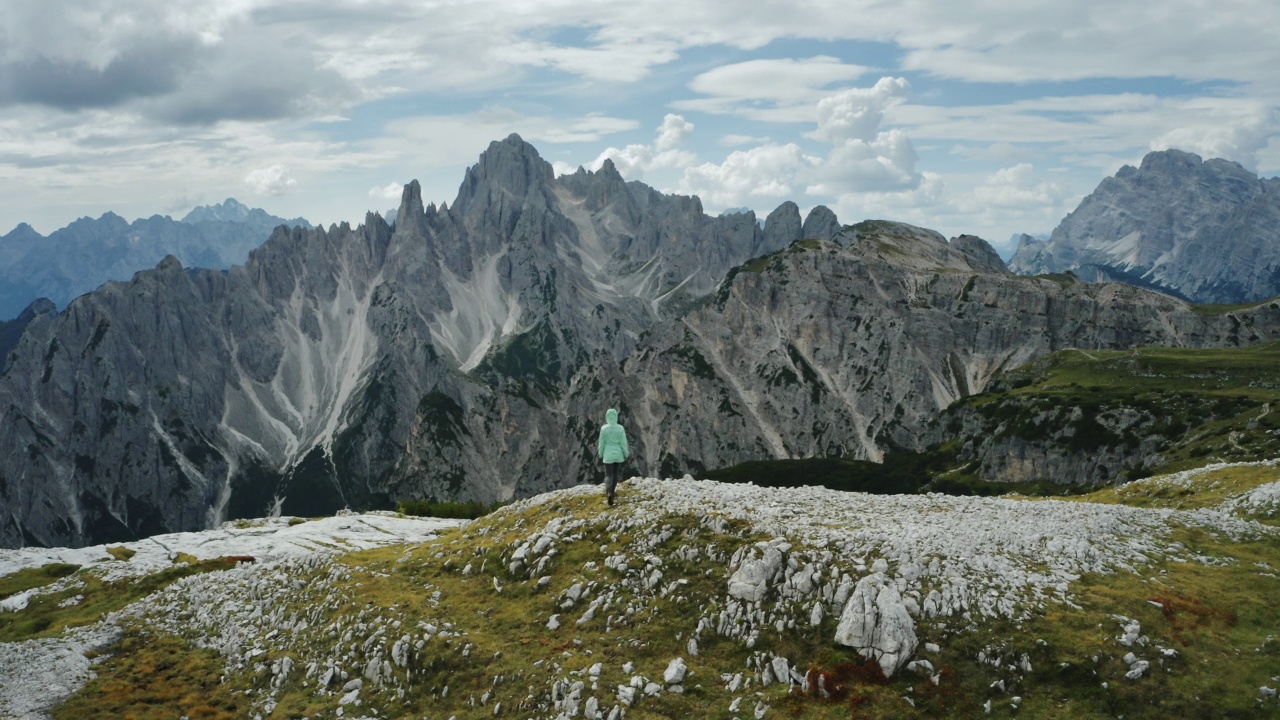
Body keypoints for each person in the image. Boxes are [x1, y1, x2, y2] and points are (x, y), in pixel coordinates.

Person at [596, 408, 629, 505]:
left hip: (608, 454)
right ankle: (612, 492)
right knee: (615, 474)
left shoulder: (604, 428)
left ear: (607, 417)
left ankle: (609, 491)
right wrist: (625, 453)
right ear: (616, 417)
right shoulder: (620, 428)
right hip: (618, 454)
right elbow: (623, 443)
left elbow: (601, 443)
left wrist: (600, 453)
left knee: (608, 474)